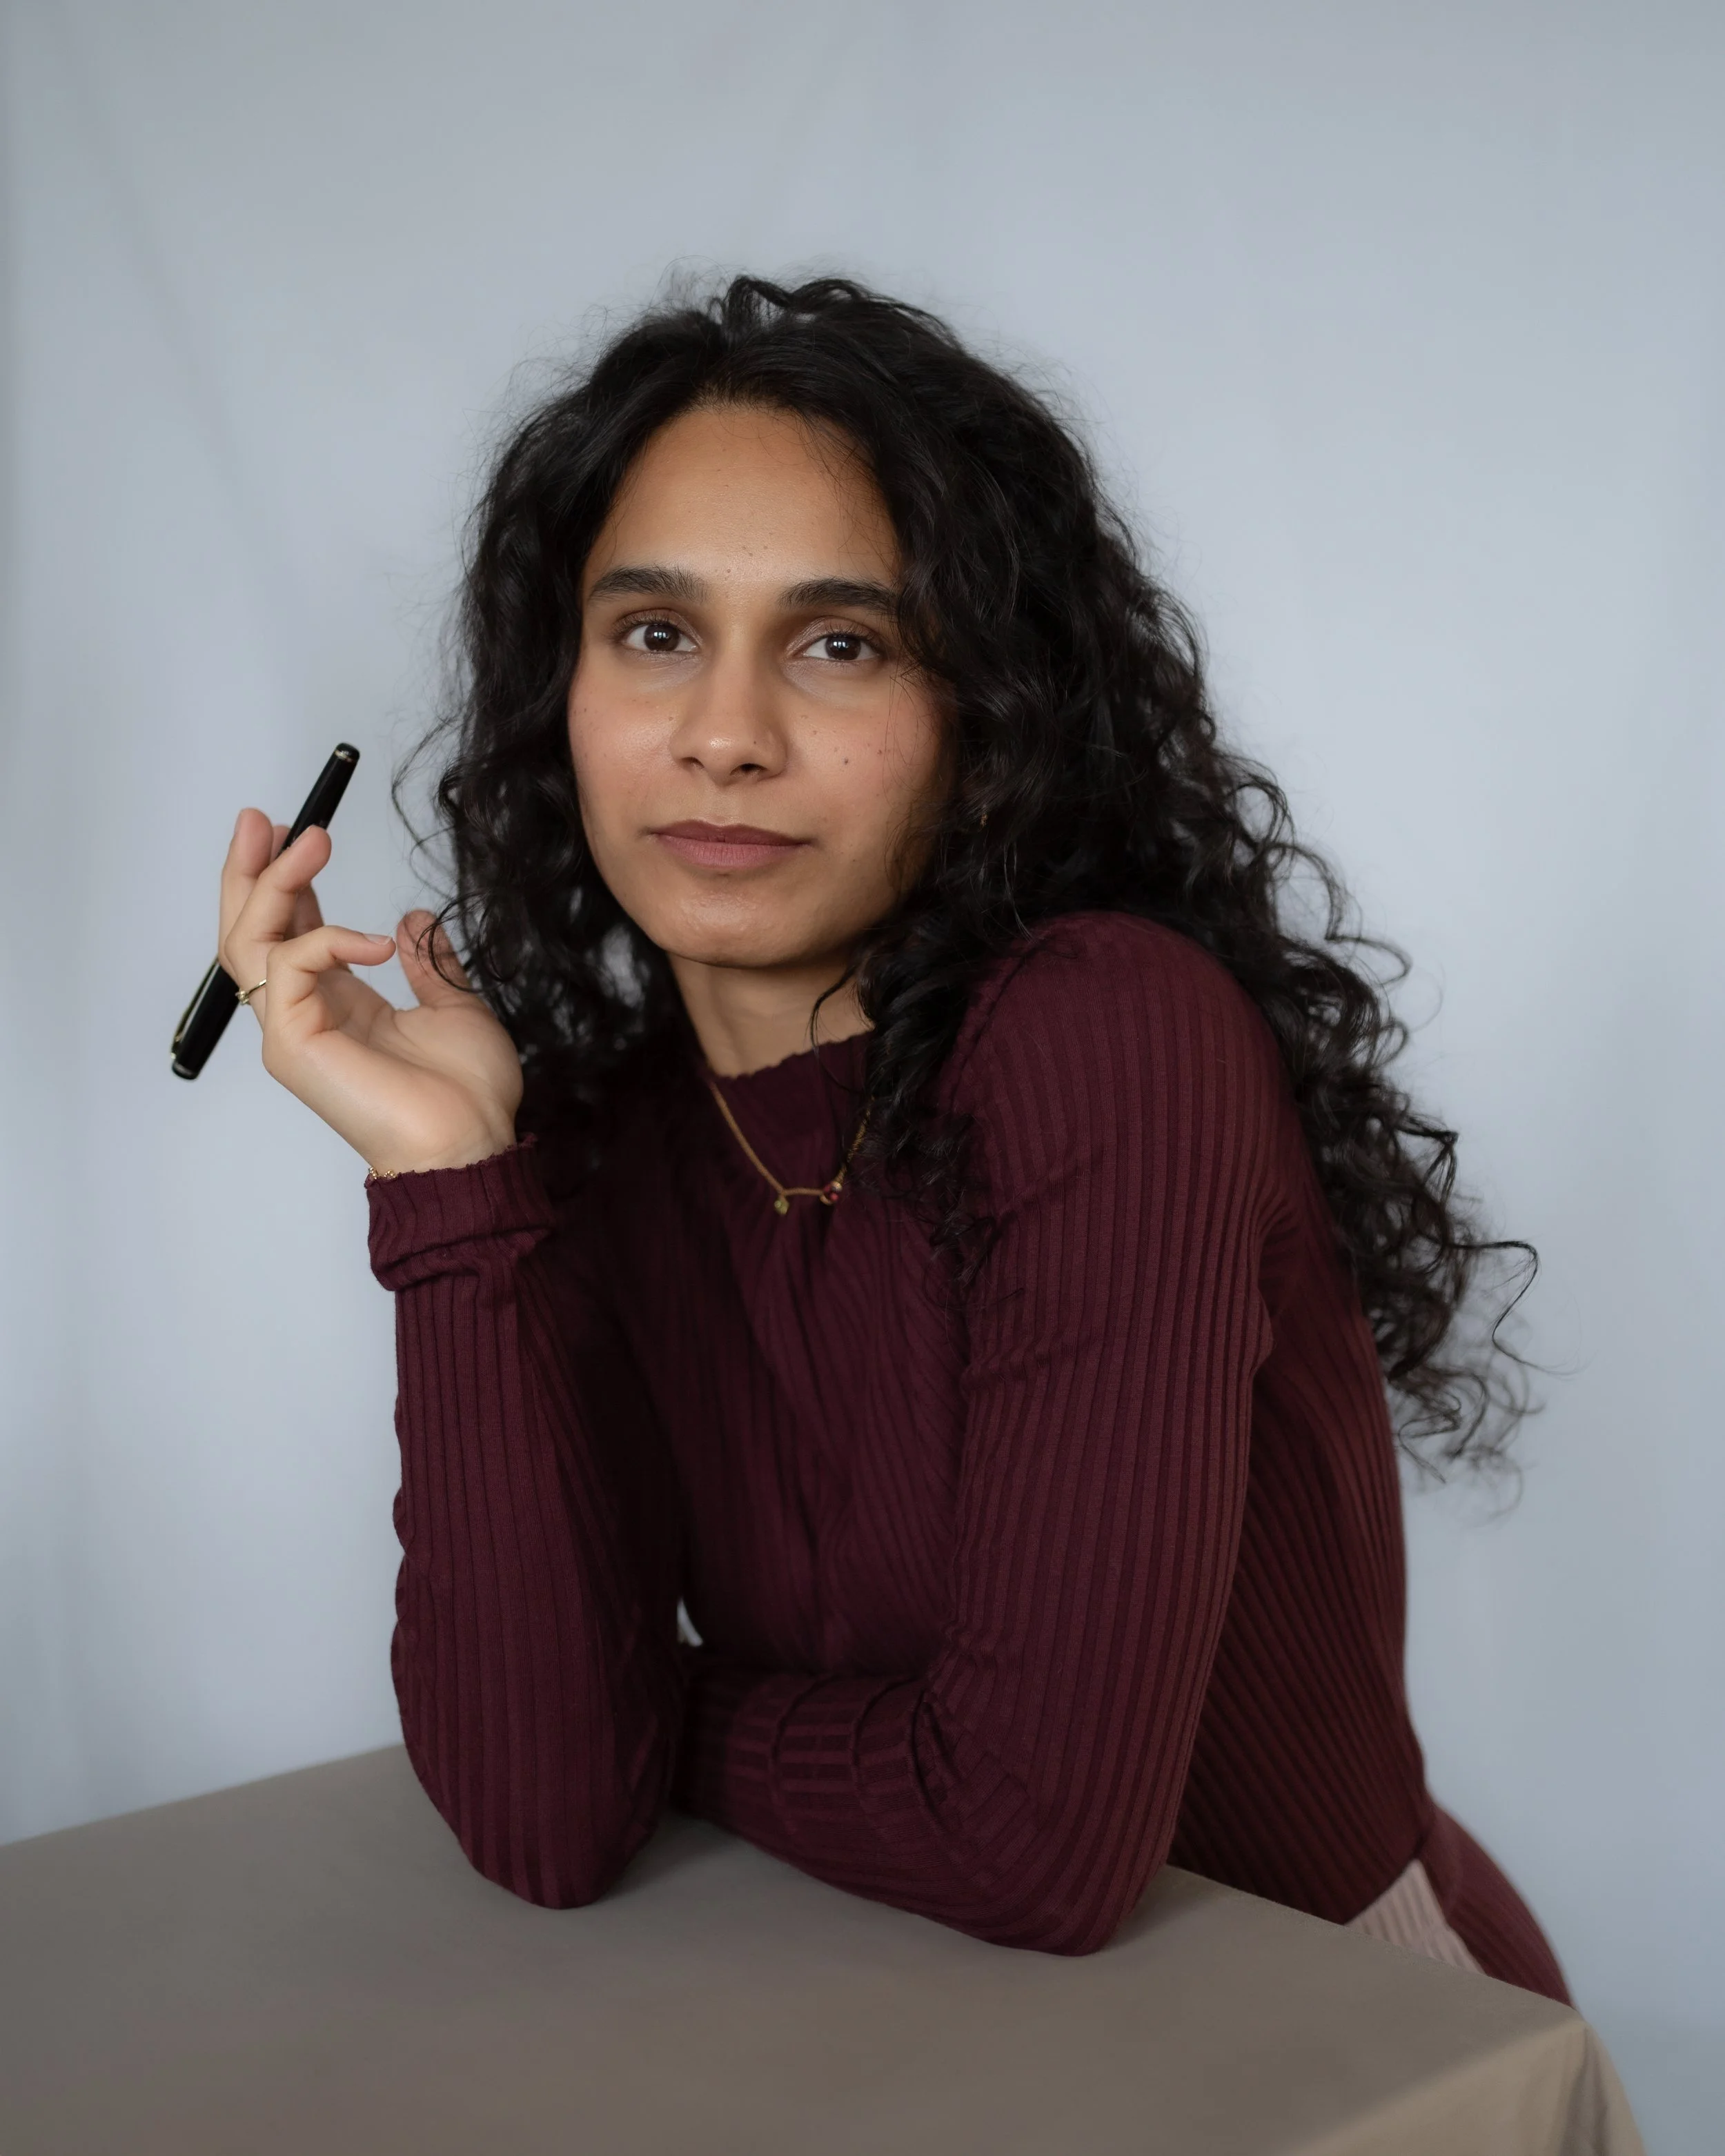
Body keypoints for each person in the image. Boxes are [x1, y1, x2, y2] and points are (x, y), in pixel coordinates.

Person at [214, 275, 1567, 1997]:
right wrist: (449, 1185)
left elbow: (1034, 1838)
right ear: (560, 693)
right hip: (922, 2032)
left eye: (838, 643)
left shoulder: (1104, 1035)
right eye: (653, 633)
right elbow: (547, 1820)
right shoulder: (611, 1131)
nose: (724, 733)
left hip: (1346, 2035)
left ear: (982, 725)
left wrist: (664, 1708)